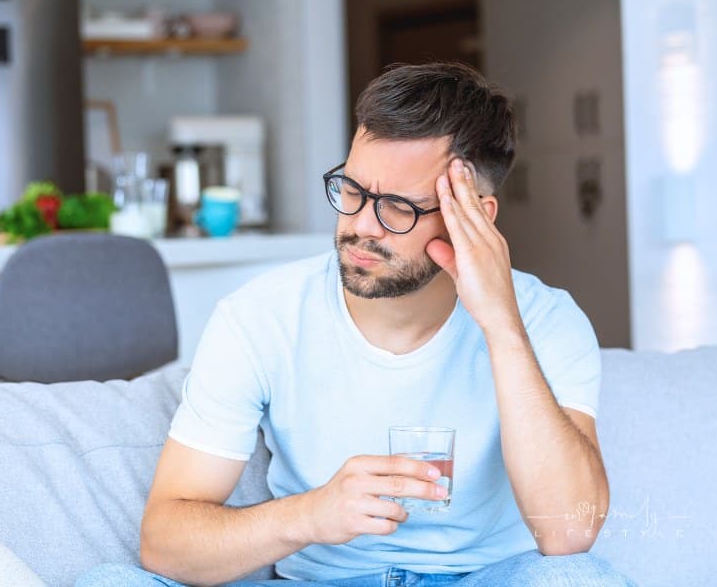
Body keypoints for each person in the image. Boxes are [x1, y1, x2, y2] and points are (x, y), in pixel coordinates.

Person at [77, 62, 635, 586]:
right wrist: (310, 515)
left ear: (477, 216)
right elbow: (164, 541)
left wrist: (502, 325)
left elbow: (568, 532)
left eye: (398, 206)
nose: (361, 225)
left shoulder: (546, 320)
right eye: (352, 189)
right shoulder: (261, 317)